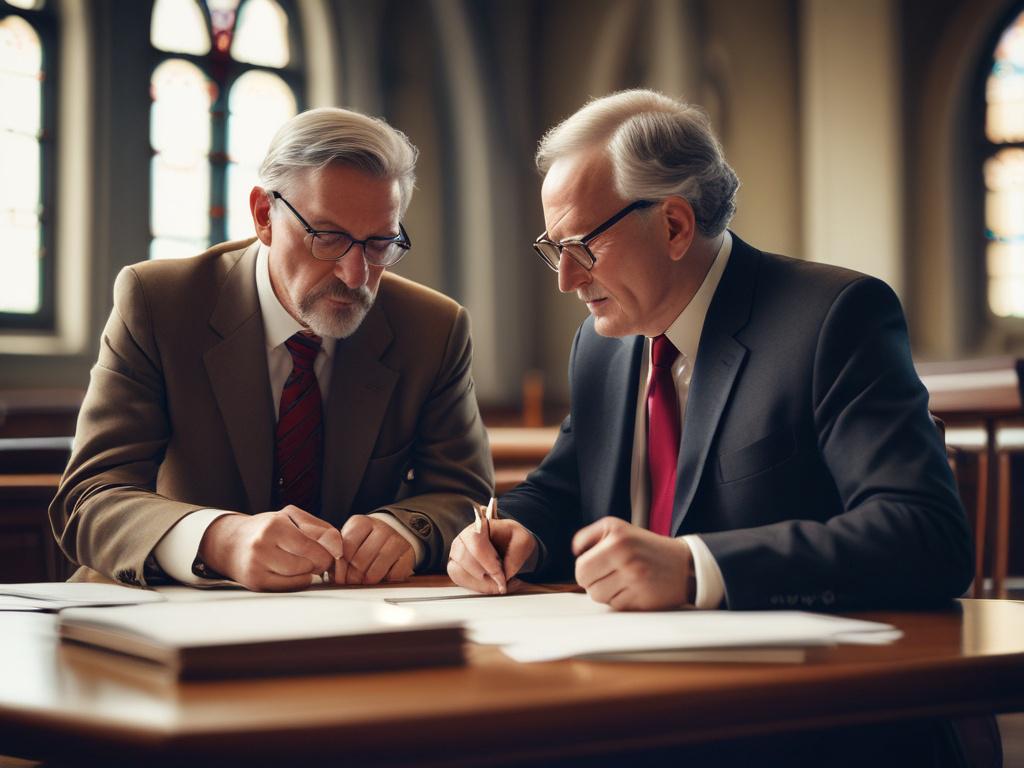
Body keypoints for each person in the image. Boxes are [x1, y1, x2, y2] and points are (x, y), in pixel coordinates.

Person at [447, 89, 973, 613]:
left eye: (582, 246)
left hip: (797, 675)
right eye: (556, 250)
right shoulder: (600, 345)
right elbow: (562, 492)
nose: (566, 279)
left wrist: (697, 569)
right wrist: (515, 533)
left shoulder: (834, 318)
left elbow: (925, 535)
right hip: (616, 661)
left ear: (674, 226)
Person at [51, 107, 493, 591]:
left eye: (379, 244)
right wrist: (220, 540)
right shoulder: (158, 303)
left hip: (348, 623)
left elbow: (465, 494)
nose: (356, 276)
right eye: (327, 238)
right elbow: (90, 498)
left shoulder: (432, 328)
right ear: (264, 215)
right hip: (165, 611)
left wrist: (404, 530)